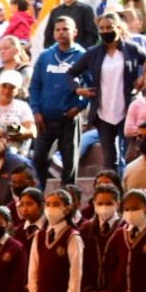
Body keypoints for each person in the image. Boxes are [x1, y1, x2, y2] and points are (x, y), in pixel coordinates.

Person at [69, 14, 144, 175]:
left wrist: (143, 77)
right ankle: (113, 190)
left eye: (109, 27)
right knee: (110, 157)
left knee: (129, 154)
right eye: (102, 28)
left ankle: (129, 189)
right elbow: (72, 73)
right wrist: (78, 89)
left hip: (127, 109)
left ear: (119, 28)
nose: (105, 31)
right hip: (103, 111)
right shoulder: (93, 53)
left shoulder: (131, 49)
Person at [30, 18, 87, 187]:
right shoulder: (45, 56)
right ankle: (38, 196)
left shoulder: (82, 56)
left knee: (70, 165)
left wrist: (79, 107)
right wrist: (36, 110)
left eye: (65, 29)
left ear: (74, 32)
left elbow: (90, 86)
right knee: (39, 158)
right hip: (45, 119)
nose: (61, 32)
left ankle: (68, 199)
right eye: (58, 30)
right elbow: (34, 85)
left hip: (69, 119)